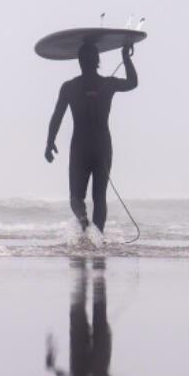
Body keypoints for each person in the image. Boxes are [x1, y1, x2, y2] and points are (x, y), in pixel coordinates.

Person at [45, 39, 137, 239]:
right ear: (98, 61)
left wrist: (49, 142)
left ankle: (86, 228)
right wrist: (125, 58)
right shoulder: (108, 83)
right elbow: (132, 83)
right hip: (103, 146)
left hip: (80, 147)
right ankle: (98, 239)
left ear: (79, 61)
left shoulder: (70, 87)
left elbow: (57, 116)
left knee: (76, 198)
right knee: (99, 197)